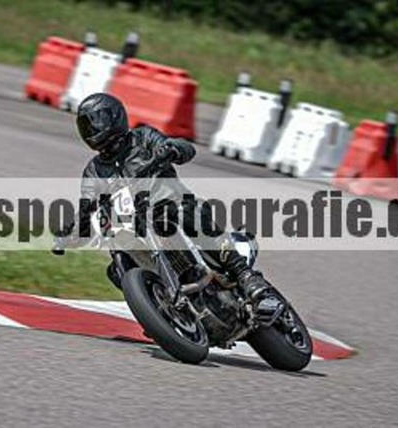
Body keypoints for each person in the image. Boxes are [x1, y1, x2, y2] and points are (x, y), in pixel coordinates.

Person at [55, 92, 282, 319]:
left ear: (114, 117)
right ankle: (158, 311)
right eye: (86, 125)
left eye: (96, 122)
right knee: (115, 268)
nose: (92, 130)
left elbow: (182, 148)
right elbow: (86, 205)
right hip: (133, 224)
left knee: (188, 213)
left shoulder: (143, 137)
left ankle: (246, 276)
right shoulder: (94, 171)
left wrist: (172, 148)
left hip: (170, 205)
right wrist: (70, 232)